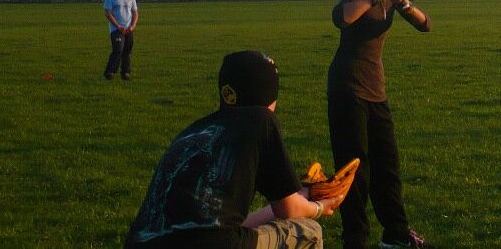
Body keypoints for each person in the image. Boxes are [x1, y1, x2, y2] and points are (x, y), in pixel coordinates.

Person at [125, 51, 347, 249]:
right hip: (212, 244)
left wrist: (300, 196)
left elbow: (217, 224)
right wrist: (320, 206)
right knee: (308, 232)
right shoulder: (261, 120)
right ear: (270, 95)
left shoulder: (194, 132)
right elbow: (289, 212)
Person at [327, 0, 433, 248]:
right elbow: (343, 18)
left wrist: (403, 2)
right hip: (347, 89)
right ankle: (355, 239)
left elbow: (425, 24)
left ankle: (397, 235)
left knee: (388, 166)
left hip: (376, 90)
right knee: (354, 169)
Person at [104, 0, 139, 80]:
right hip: (116, 29)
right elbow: (108, 13)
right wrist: (118, 26)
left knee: (127, 51)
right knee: (118, 49)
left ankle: (125, 72)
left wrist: (133, 26)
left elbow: (135, 13)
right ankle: (110, 72)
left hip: (128, 29)